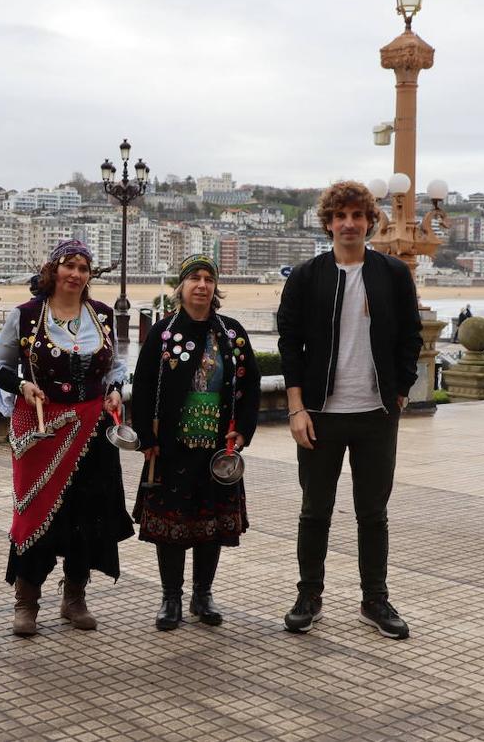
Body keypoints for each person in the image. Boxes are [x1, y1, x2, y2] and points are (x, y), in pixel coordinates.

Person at [277, 179, 422, 640]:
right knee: (314, 511)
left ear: (369, 221)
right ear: (328, 223)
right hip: (320, 414)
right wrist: (296, 408)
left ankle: (374, 599)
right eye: (340, 216)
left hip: (376, 414)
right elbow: (289, 345)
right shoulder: (307, 277)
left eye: (358, 215)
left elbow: (411, 335)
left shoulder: (392, 274)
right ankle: (309, 596)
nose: (349, 224)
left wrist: (400, 390)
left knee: (373, 512)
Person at [0, 239, 134, 637]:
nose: (76, 274)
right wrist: (21, 386)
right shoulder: (25, 315)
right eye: (69, 266)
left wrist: (115, 390)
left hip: (93, 430)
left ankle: (74, 598)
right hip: (43, 429)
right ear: (54, 270)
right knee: (35, 512)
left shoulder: (101, 315)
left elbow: (115, 367)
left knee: (88, 513)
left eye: (83, 268)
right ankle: (26, 602)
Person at [131, 254, 261, 630]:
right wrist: (146, 437)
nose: (202, 285)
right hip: (171, 447)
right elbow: (142, 386)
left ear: (215, 287)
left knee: (213, 524)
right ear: (182, 286)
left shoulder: (232, 334)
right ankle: (170, 598)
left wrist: (243, 429)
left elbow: (251, 384)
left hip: (219, 449)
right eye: (194, 278)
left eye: (208, 279)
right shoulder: (163, 332)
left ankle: (202, 595)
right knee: (170, 525)